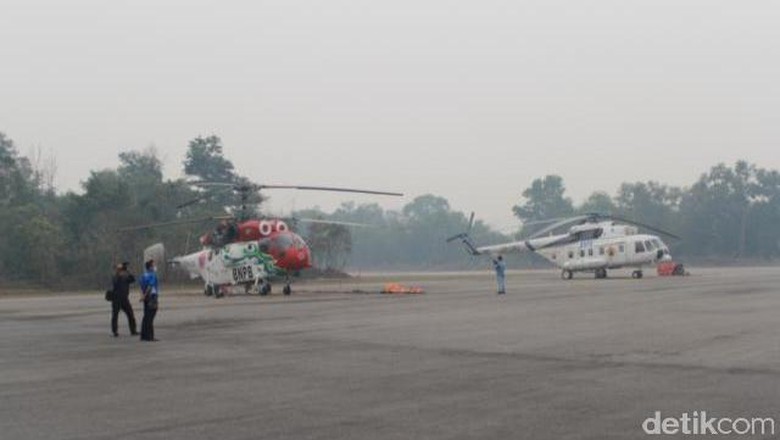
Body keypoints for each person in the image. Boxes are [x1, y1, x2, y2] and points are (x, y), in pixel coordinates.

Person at [110, 262, 137, 337]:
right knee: (115, 315)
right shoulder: (115, 276)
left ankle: (133, 330)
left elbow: (133, 279)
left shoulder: (126, 277)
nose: (122, 272)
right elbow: (114, 281)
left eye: (122, 270)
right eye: (121, 270)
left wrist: (127, 270)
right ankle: (115, 331)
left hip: (125, 299)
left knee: (131, 314)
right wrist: (118, 272)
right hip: (116, 299)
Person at [139, 259, 160, 342]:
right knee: (150, 316)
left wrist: (142, 296)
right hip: (152, 296)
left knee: (146, 316)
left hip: (146, 298)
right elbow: (150, 286)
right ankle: (150, 336)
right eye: (153, 265)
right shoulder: (152, 275)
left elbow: (141, 287)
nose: (154, 267)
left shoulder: (143, 275)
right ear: (150, 267)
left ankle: (143, 335)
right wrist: (144, 295)